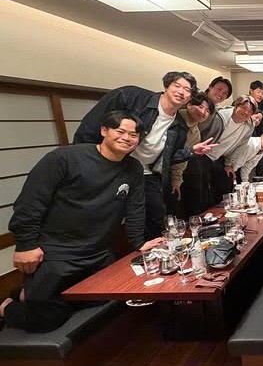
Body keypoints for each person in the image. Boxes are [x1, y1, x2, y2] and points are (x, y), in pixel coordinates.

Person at [1, 111, 162, 333]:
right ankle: (6, 306)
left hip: (98, 253)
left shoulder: (133, 168)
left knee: (110, 296)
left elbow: (135, 208)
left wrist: (139, 243)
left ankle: (31, 295)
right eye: (120, 131)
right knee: (46, 320)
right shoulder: (64, 158)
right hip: (56, 252)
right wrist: (26, 244)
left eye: (133, 135)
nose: (127, 138)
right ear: (104, 130)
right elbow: (30, 202)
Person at [73, 71, 216, 238]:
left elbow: (168, 157)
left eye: (187, 90)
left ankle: (155, 250)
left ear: (190, 97)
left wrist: (191, 151)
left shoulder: (179, 126)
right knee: (104, 215)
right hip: (111, 166)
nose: (181, 92)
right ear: (166, 86)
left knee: (158, 217)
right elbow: (92, 124)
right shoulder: (132, 97)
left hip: (146, 172)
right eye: (177, 85)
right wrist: (86, 159)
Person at [186, 77, 232, 213]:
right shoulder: (196, 101)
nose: (221, 94)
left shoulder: (217, 113)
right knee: (193, 196)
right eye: (219, 89)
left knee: (203, 192)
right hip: (187, 154)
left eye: (225, 93)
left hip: (202, 156)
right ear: (210, 87)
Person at [204, 95, 257, 203]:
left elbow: (240, 146)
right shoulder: (221, 116)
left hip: (220, 157)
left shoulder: (249, 125)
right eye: (244, 108)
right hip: (203, 154)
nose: (246, 112)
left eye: (250, 111)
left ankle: (224, 210)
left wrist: (229, 164)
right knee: (203, 191)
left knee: (227, 181)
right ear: (236, 106)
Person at [169, 92, 214, 217]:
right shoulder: (173, 118)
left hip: (173, 171)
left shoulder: (195, 132)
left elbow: (183, 158)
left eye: (207, 111)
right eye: (200, 107)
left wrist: (176, 179)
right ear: (189, 105)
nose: (203, 112)